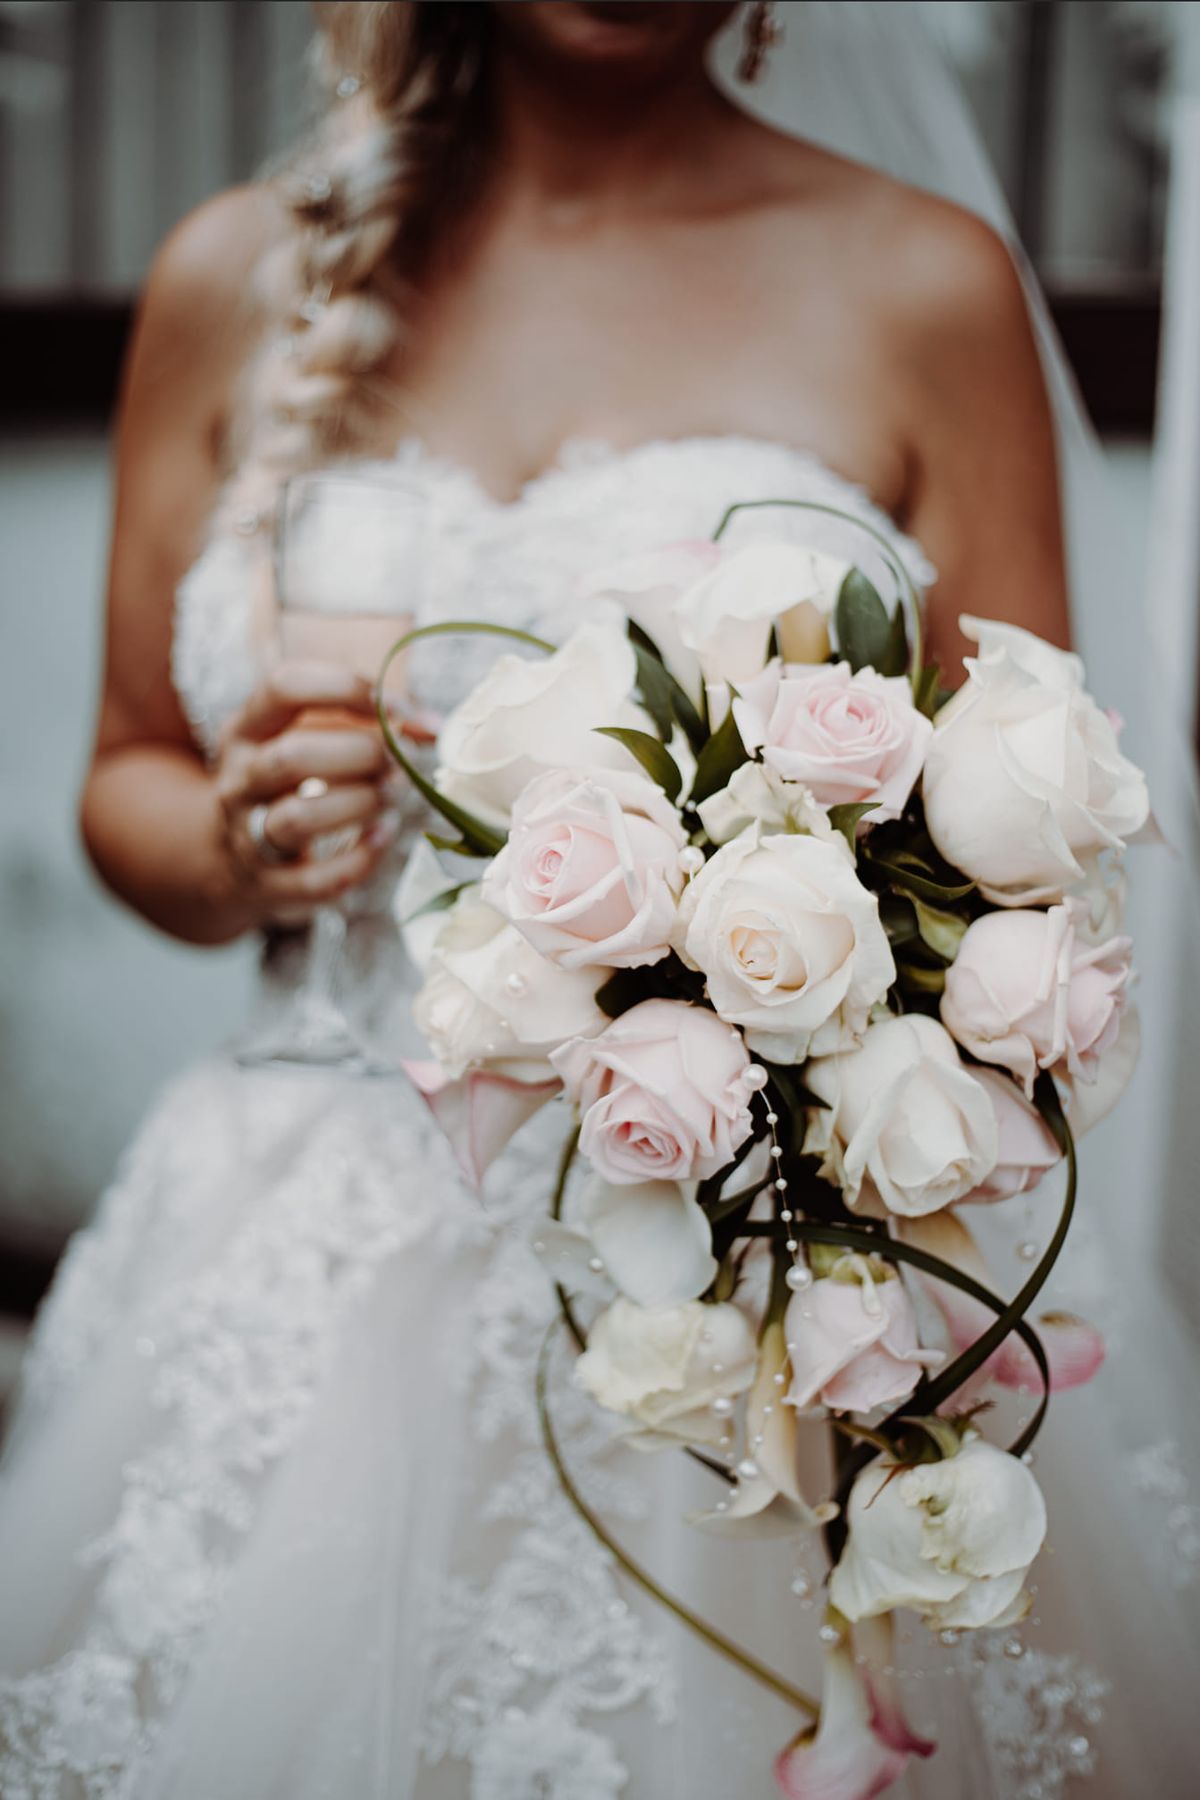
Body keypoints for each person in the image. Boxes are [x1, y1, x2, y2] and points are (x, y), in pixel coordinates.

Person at [0, 5, 1195, 1796]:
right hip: (296, 1225)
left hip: (758, 1264)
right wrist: (240, 848)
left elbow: (1028, 836)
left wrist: (769, 941)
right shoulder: (235, 275)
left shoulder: (921, 283)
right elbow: (127, 778)